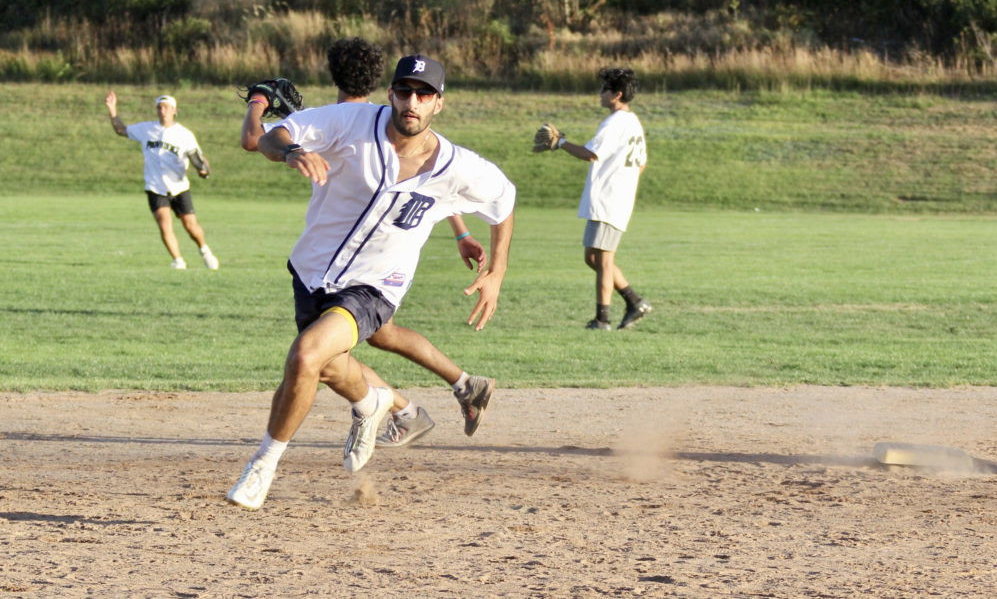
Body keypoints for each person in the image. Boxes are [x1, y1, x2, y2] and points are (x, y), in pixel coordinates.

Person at [226, 53, 515, 510]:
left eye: (424, 94)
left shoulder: (458, 166)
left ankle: (263, 465)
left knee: (305, 355)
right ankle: (374, 401)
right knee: (326, 366)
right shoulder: (352, 121)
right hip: (312, 272)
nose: (412, 102)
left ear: (439, 103)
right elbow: (271, 137)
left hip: (376, 286)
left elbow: (504, 200)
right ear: (391, 94)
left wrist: (496, 272)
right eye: (405, 91)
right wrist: (292, 150)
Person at [544, 67, 650, 330]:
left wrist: (560, 143)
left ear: (617, 94)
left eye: (605, 89)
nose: (600, 93)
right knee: (592, 257)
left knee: (603, 260)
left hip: (609, 200)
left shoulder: (615, 122)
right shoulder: (633, 121)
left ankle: (602, 319)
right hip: (615, 199)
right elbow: (642, 164)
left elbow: (590, 153)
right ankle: (634, 301)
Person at [106, 91, 219, 271]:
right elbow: (121, 129)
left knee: (190, 226)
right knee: (164, 225)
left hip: (179, 187)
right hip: (155, 187)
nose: (162, 110)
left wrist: (204, 170)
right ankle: (178, 261)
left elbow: (199, 159)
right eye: (159, 107)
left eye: (166, 107)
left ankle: (204, 250)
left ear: (174, 110)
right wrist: (112, 109)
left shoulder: (184, 134)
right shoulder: (146, 129)